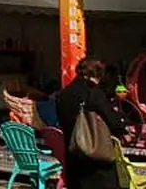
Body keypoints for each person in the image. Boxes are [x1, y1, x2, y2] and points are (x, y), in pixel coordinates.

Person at [55, 57, 128, 189]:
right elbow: (112, 120)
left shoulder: (64, 93)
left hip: (73, 155)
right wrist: (123, 129)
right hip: (94, 157)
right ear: (97, 74)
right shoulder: (93, 93)